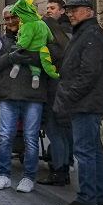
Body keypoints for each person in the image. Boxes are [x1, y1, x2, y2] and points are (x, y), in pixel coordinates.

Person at [55, 0, 103, 205]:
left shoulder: (91, 35)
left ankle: (88, 200)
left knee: (85, 151)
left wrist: (70, 95)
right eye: (68, 10)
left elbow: (89, 72)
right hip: (87, 102)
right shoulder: (86, 33)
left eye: (75, 10)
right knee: (94, 151)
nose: (70, 14)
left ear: (88, 11)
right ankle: (99, 199)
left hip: (85, 103)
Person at [0, 5, 47, 194]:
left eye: (14, 17)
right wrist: (11, 57)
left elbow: (50, 62)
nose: (10, 21)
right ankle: (4, 174)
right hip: (8, 96)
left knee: (31, 138)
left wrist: (33, 58)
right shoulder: (0, 43)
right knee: (5, 136)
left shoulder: (38, 35)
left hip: (33, 97)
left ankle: (29, 177)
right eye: (6, 18)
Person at [36, 16, 72, 186]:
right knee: (62, 134)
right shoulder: (65, 44)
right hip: (64, 94)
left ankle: (58, 171)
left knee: (54, 133)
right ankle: (64, 169)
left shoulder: (49, 48)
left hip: (53, 94)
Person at [8, 0, 58, 90]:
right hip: (42, 49)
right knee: (36, 68)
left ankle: (16, 67)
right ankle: (36, 76)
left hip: (29, 49)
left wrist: (19, 46)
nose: (11, 21)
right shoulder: (42, 23)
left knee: (20, 56)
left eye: (16, 16)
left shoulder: (28, 25)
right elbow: (50, 36)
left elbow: (26, 40)